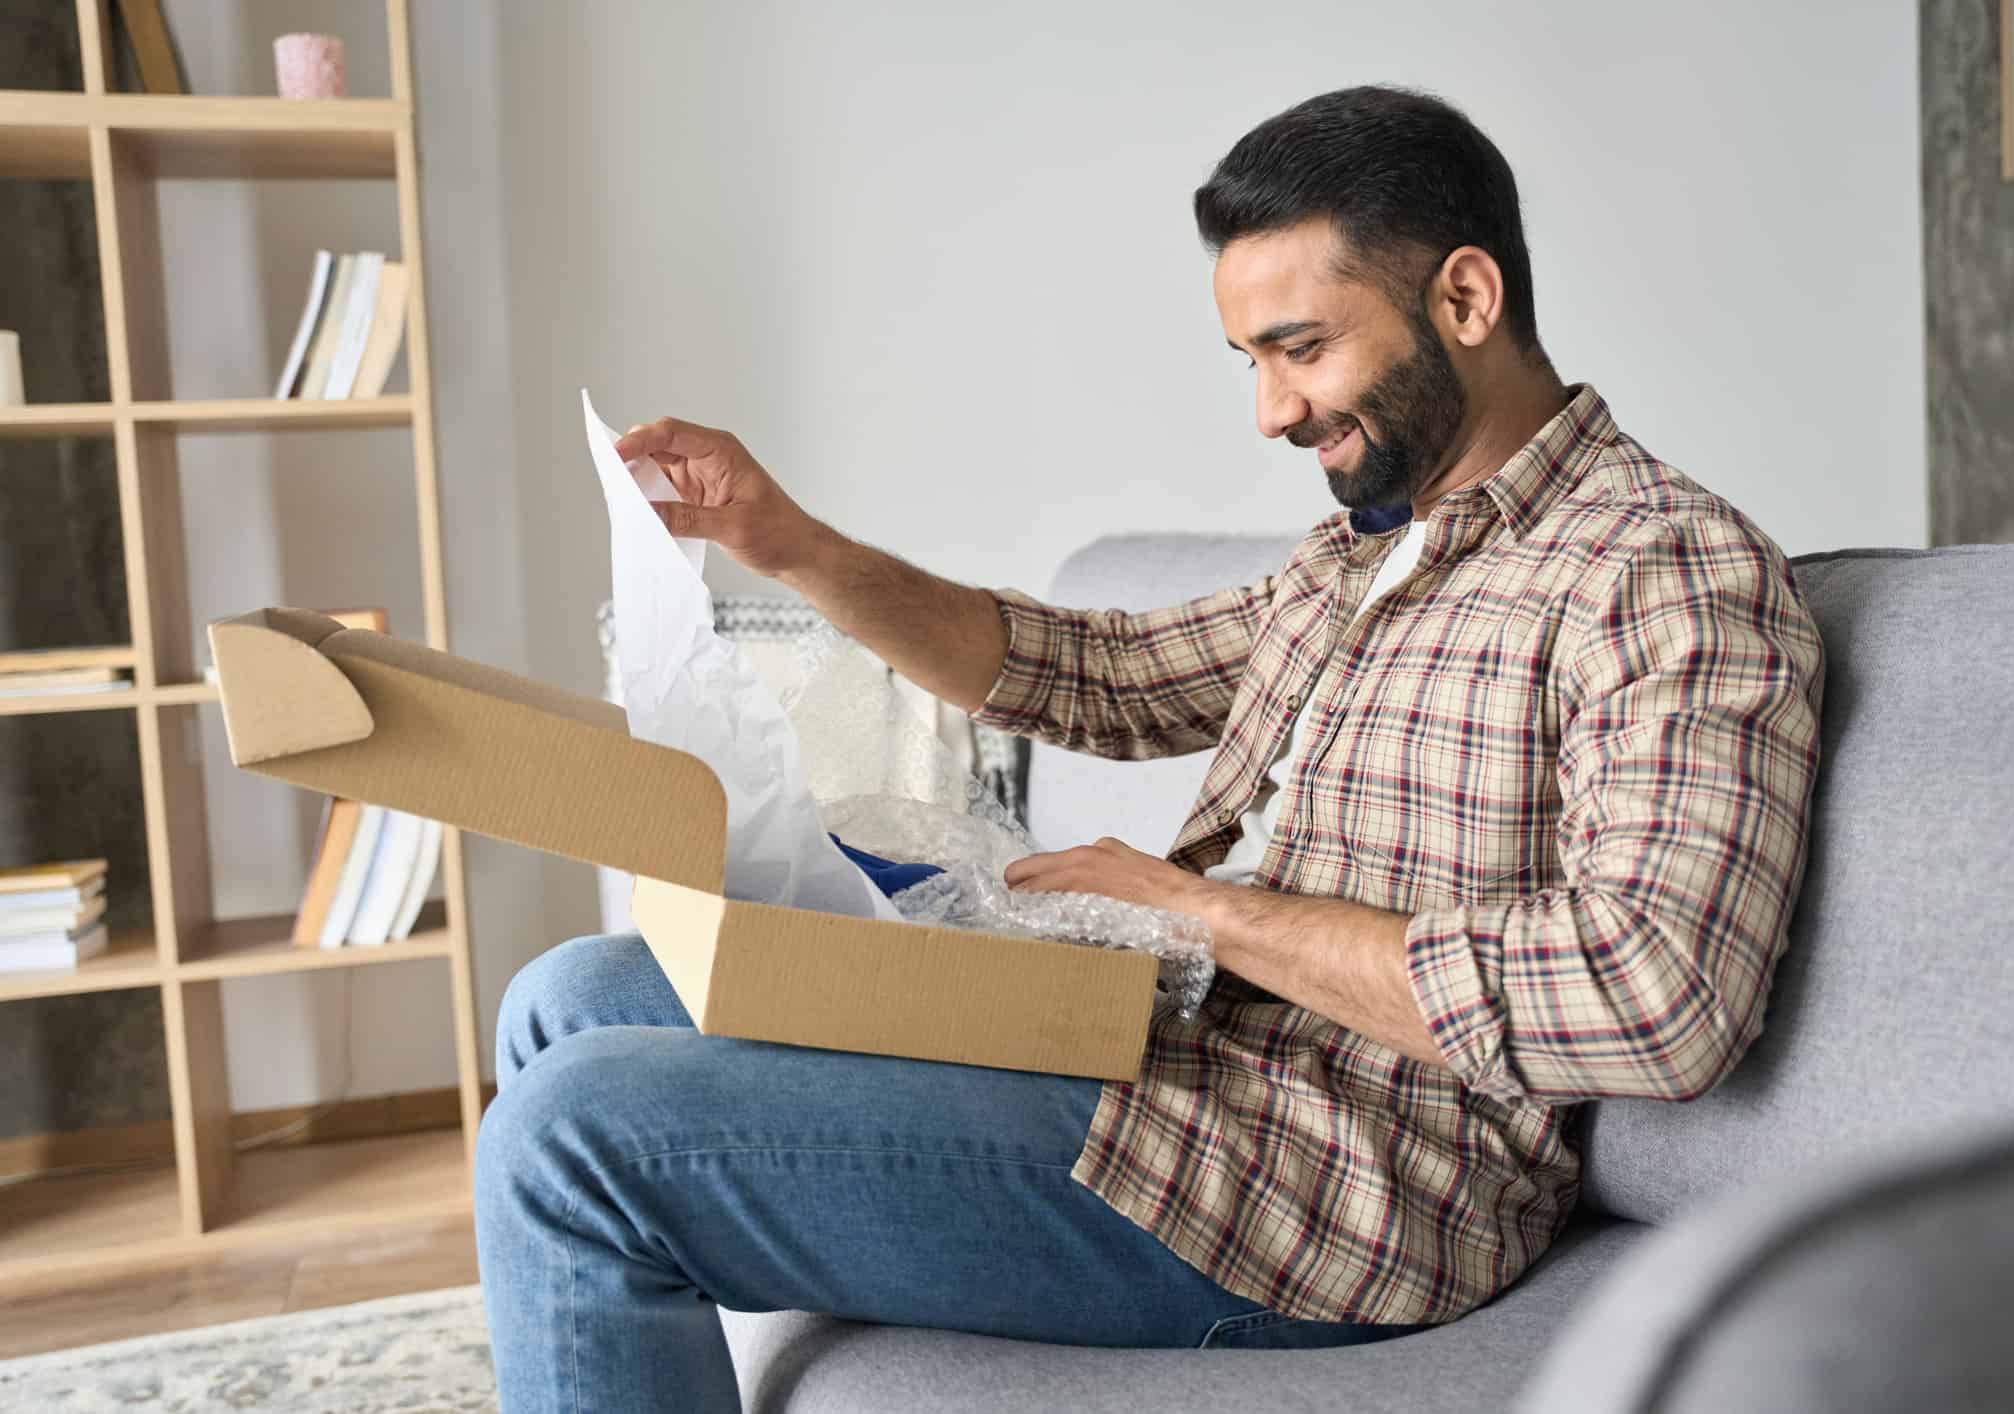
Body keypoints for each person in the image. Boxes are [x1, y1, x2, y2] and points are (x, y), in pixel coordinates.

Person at [475, 84, 1827, 1413]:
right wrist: (791, 544)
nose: (1270, 411)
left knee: (570, 1137)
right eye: (1251, 361)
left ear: (1464, 302)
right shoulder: (1357, 559)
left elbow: (1658, 997)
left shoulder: (1660, 569)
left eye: (1298, 347)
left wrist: (1200, 912)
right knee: (575, 995)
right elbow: (1096, 675)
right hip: (1168, 1061)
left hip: (1347, 1185)